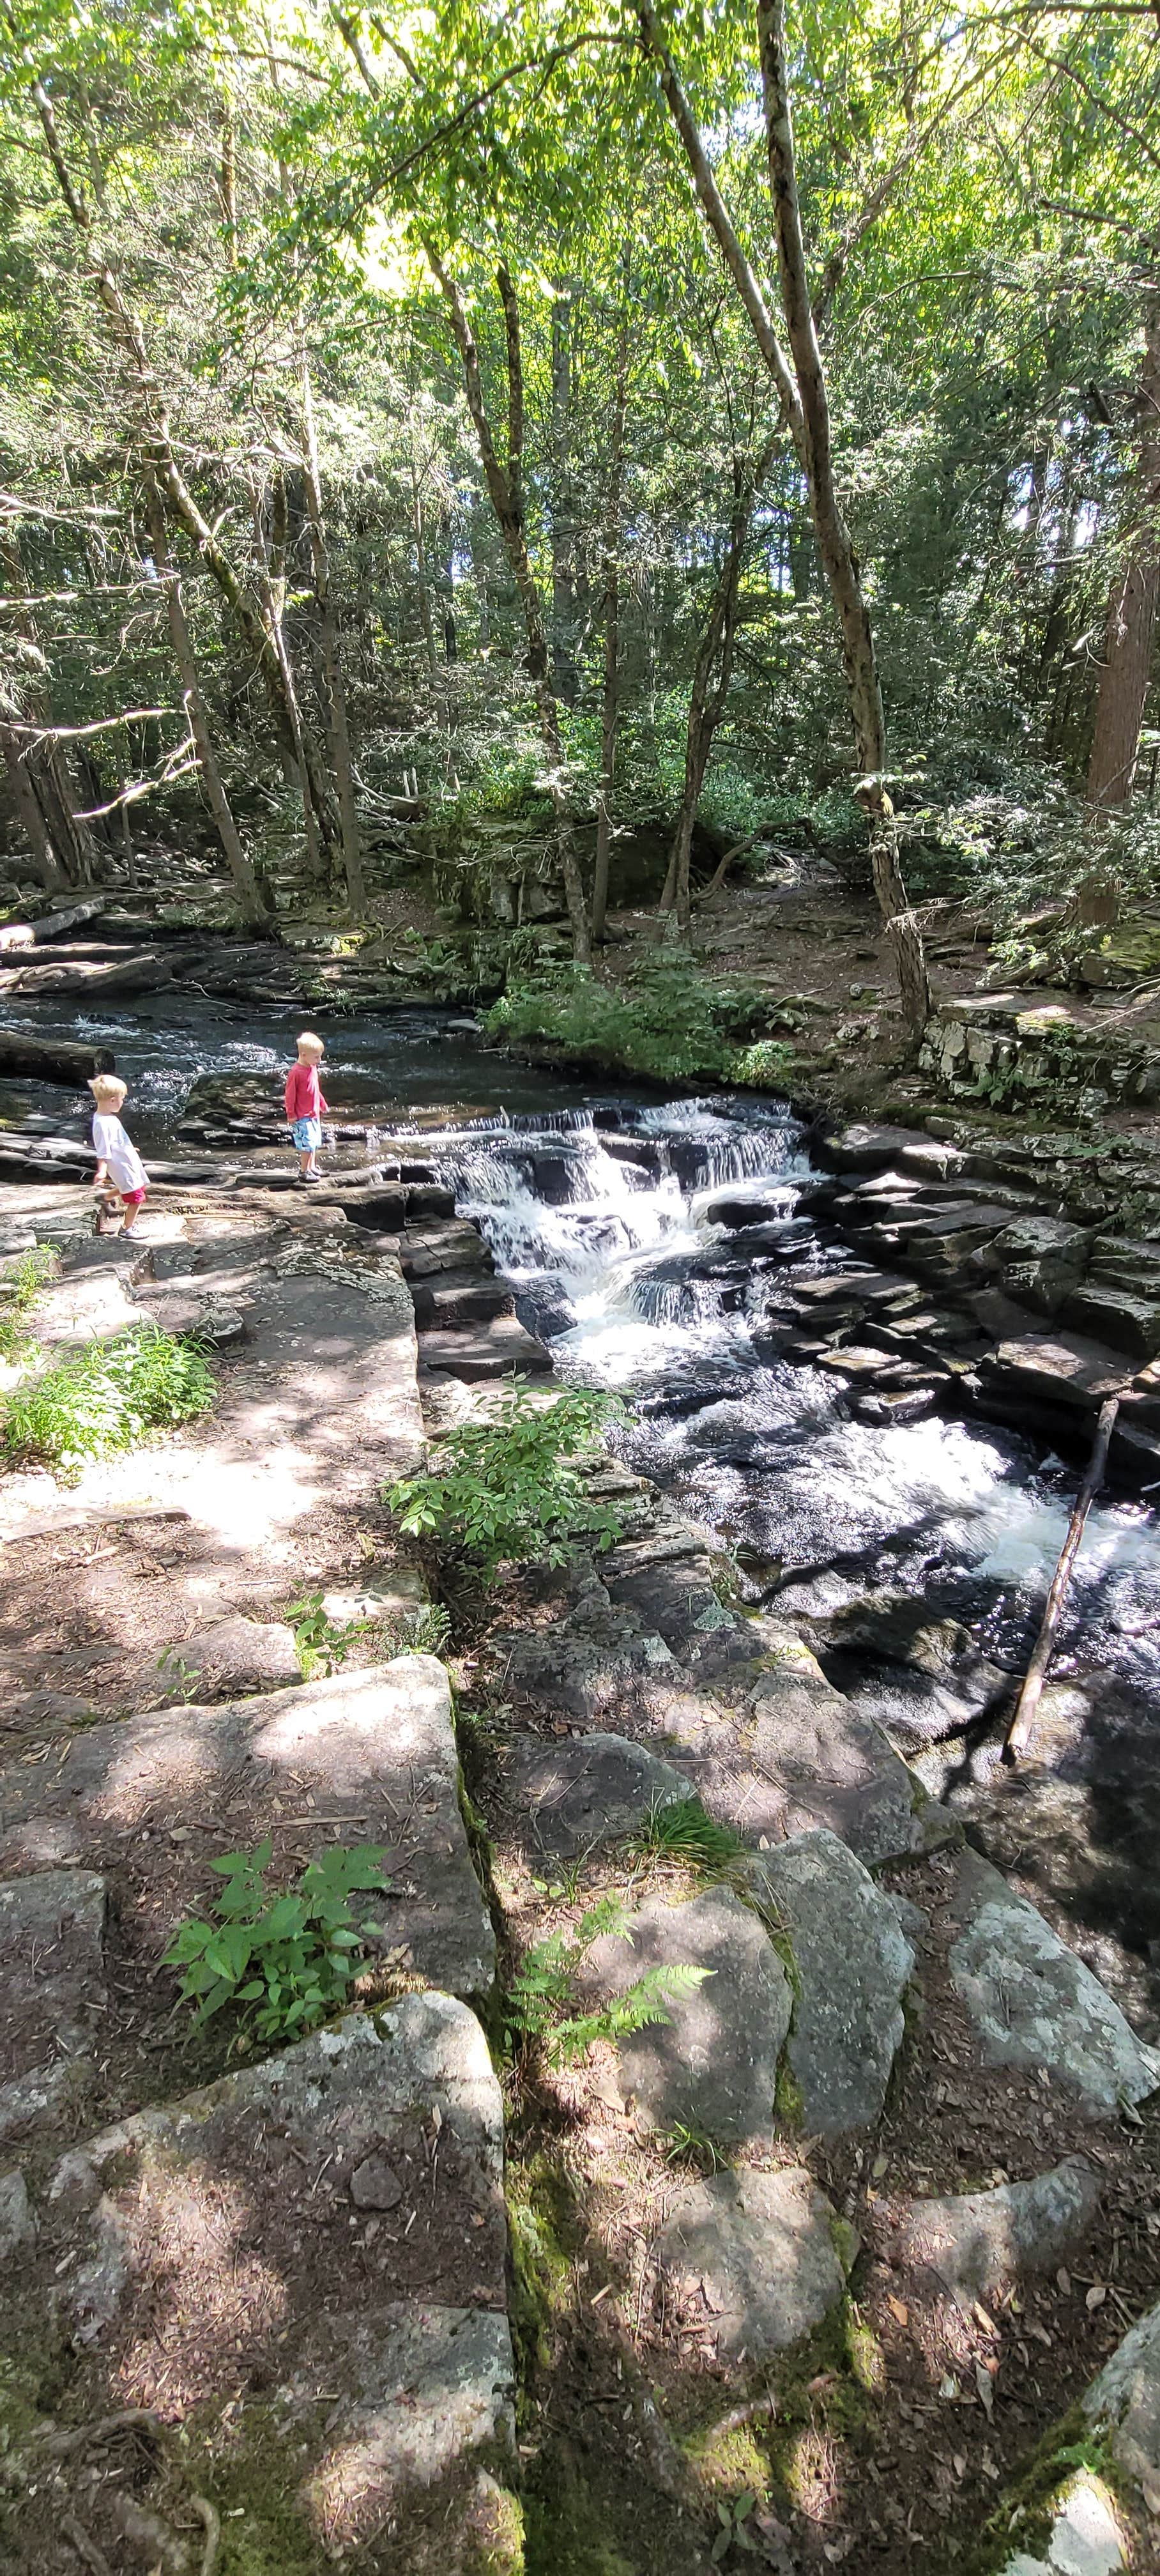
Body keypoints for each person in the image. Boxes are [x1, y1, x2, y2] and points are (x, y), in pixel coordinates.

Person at [88, 1073, 149, 1232]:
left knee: (137, 1186)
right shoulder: (102, 1123)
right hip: (120, 1165)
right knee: (137, 1197)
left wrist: (128, 1148)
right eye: (122, 1099)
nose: (123, 1103)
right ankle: (127, 1228)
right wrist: (102, 1171)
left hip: (127, 1159)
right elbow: (102, 1150)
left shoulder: (110, 1118)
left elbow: (116, 1140)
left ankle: (105, 1198)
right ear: (113, 1100)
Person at [284, 1030, 328, 1182]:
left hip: (314, 1113)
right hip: (302, 1116)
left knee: (315, 1142)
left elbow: (315, 1089)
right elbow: (290, 1096)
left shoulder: (312, 1067)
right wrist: (290, 1114)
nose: (319, 1060)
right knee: (307, 1144)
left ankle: (312, 1167)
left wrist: (322, 1103)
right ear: (303, 1055)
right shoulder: (296, 1073)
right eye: (316, 1057)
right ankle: (304, 1171)